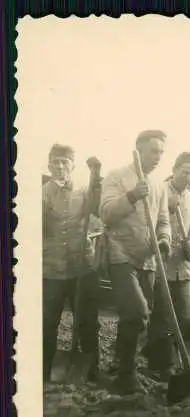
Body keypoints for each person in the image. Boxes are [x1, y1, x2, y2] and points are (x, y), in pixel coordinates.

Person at [99, 130, 171, 394]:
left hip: (148, 260)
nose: (158, 157)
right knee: (138, 312)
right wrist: (131, 196)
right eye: (154, 151)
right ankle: (126, 376)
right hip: (120, 254)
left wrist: (164, 240)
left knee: (138, 316)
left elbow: (163, 220)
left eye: (162, 153)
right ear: (138, 149)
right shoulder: (117, 176)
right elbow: (105, 213)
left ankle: (121, 363)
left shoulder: (159, 185)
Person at [42, 144, 102, 384]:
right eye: (55, 162)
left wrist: (97, 179)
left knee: (87, 320)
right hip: (51, 267)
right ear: (49, 165)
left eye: (64, 162)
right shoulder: (40, 193)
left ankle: (91, 371)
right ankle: (44, 368)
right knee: (48, 321)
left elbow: (98, 208)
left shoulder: (84, 191)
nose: (59, 167)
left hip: (81, 267)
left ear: (72, 166)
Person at [145, 152, 190, 380]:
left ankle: (161, 353)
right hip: (161, 264)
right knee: (161, 316)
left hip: (184, 267)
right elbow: (147, 221)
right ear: (175, 168)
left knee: (188, 316)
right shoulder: (158, 190)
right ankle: (162, 364)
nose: (188, 177)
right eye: (185, 171)